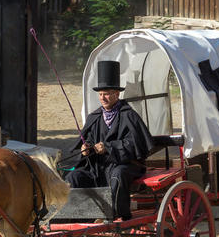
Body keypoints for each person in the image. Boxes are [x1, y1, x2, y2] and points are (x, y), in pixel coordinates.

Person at [65, 60, 154, 221]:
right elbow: (90, 140)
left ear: (116, 94)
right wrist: (86, 149)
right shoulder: (94, 117)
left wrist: (109, 147)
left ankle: (114, 214)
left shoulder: (129, 115)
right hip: (98, 167)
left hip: (125, 165)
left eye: (106, 93)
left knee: (117, 175)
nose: (103, 98)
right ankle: (77, 216)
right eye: (100, 94)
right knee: (74, 177)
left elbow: (135, 145)